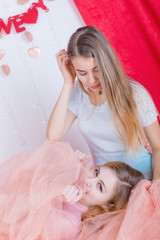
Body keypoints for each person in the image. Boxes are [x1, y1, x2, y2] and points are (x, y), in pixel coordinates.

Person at [47, 26, 160, 181]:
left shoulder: (135, 93)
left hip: (142, 179)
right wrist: (68, 82)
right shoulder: (79, 94)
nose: (91, 80)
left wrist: (156, 184)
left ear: (107, 63)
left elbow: (158, 147)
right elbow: (53, 135)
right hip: (107, 187)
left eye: (96, 69)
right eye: (82, 73)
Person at [0, 141, 144, 240]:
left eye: (99, 186)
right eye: (95, 172)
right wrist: (68, 165)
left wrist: (53, 190)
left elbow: (9, 219)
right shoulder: (72, 187)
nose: (88, 181)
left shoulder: (67, 223)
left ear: (108, 205)